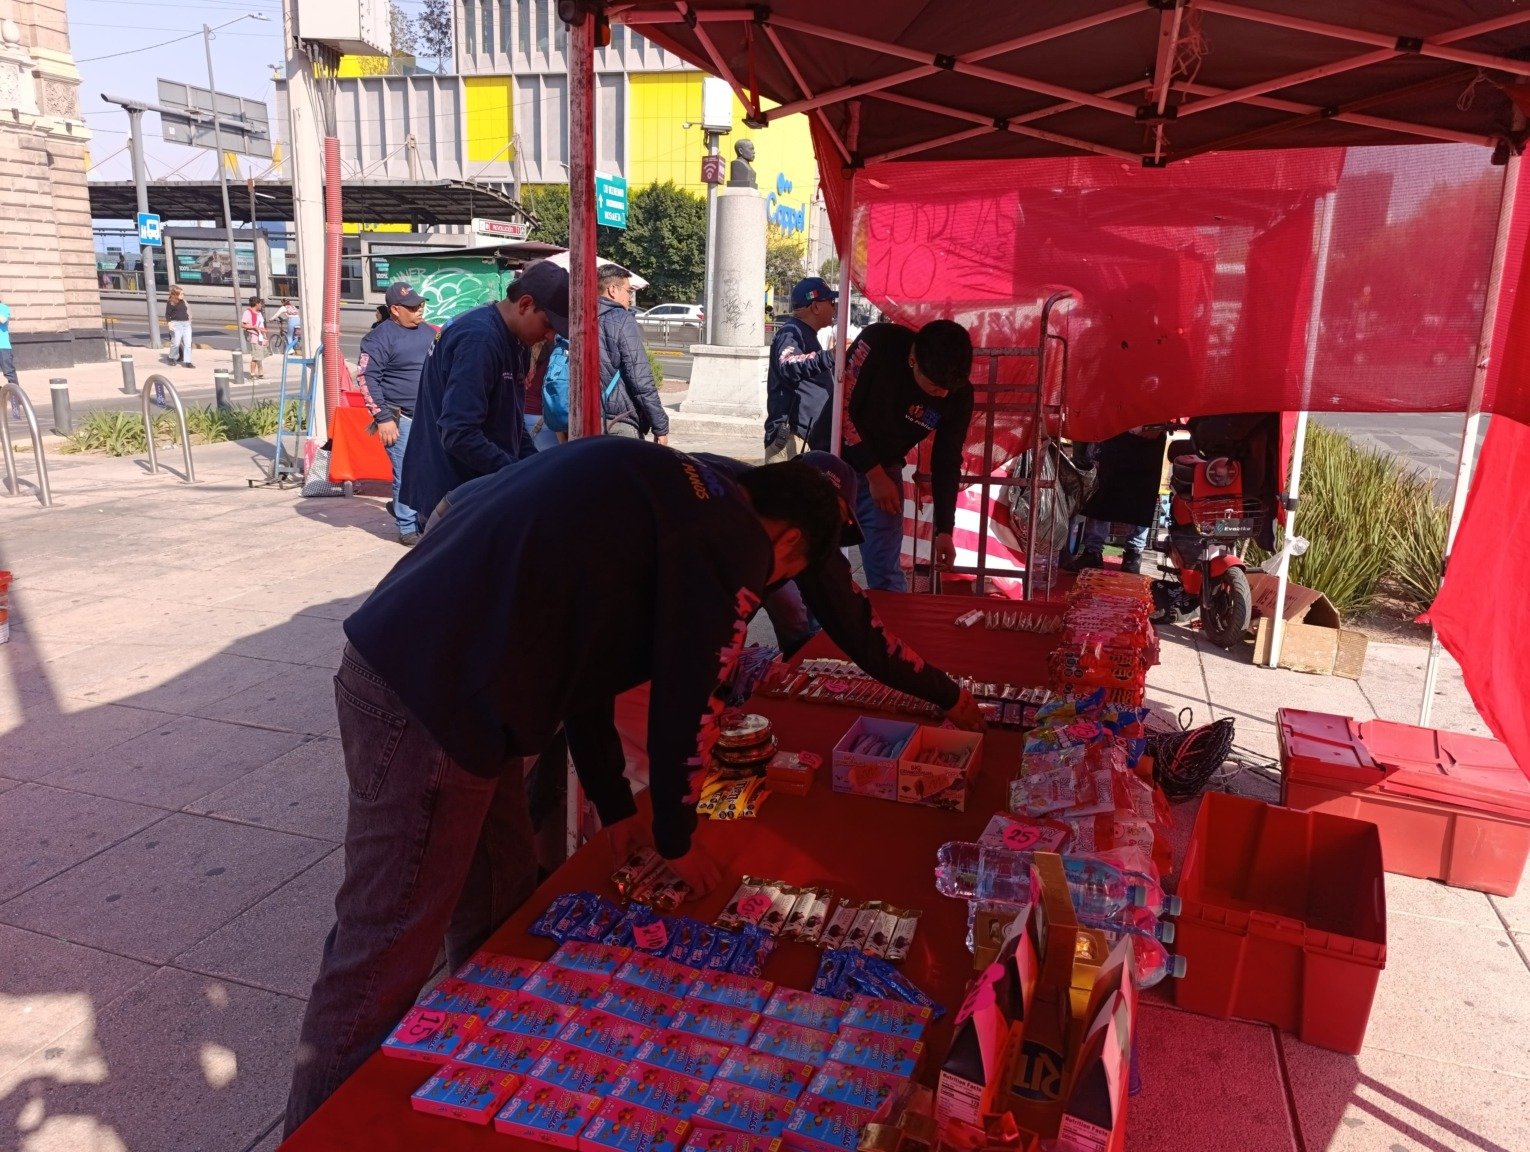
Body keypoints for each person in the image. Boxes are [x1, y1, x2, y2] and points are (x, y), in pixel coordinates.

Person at [282, 441, 845, 1135]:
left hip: (449, 679)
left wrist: (616, 811)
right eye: (784, 571)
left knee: (500, 899)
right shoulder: (728, 535)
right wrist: (675, 836)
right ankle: (313, 1134)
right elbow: (685, 699)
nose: (765, 587)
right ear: (786, 540)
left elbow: (588, 667)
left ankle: (474, 1078)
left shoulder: (682, 492)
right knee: (386, 945)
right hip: (428, 695)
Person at [398, 260, 569, 524]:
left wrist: (534, 469)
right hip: (453, 496)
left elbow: (513, 419)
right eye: (547, 324)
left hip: (478, 490)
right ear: (524, 305)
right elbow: (459, 434)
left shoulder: (515, 339)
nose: (548, 336)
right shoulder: (481, 339)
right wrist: (516, 473)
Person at [839, 320, 976, 591]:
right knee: (818, 564)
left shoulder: (958, 395)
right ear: (913, 360)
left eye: (950, 388)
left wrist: (944, 529)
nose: (943, 394)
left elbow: (947, 461)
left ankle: (887, 632)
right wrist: (873, 473)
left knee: (885, 571)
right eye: (935, 387)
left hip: (885, 468)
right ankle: (810, 632)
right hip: (835, 458)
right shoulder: (879, 342)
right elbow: (843, 409)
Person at [357, 282, 437, 547]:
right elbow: (367, 378)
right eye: (412, 307)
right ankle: (406, 526)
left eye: (420, 305)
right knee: (405, 472)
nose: (419, 311)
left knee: (429, 471)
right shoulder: (380, 337)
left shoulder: (429, 333)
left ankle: (422, 518)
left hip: (428, 417)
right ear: (395, 309)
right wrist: (383, 418)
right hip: (397, 417)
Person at [764, 276, 838, 461]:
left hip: (806, 438)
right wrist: (829, 356)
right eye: (831, 301)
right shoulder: (792, 331)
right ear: (815, 306)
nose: (834, 307)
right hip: (792, 439)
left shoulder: (805, 333)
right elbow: (788, 364)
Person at [597, 263, 669, 442]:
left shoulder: (577, 315)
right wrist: (660, 427)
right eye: (628, 291)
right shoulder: (622, 320)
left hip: (578, 419)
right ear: (613, 289)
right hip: (617, 421)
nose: (629, 299)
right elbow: (640, 379)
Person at [164, 287, 194, 368]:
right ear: (176, 294)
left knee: (188, 344)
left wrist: (189, 320)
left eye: (183, 293)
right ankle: (171, 358)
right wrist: (169, 323)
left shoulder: (183, 301)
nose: (183, 295)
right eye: (181, 294)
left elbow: (188, 311)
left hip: (186, 324)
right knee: (176, 343)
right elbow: (167, 314)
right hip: (176, 325)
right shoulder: (170, 302)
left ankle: (188, 361)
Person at [240, 296, 268, 379]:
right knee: (255, 356)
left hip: (260, 336)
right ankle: (252, 374)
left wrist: (265, 337)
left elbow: (261, 325)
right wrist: (254, 327)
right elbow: (242, 324)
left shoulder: (259, 313)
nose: (261, 305)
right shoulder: (248, 312)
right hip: (254, 337)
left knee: (260, 355)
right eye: (260, 304)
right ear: (256, 304)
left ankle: (260, 372)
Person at [0, 294, 16, 388]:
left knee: (9, 372)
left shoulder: (4, 307)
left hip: (3, 346)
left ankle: (16, 397)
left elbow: (3, 320)